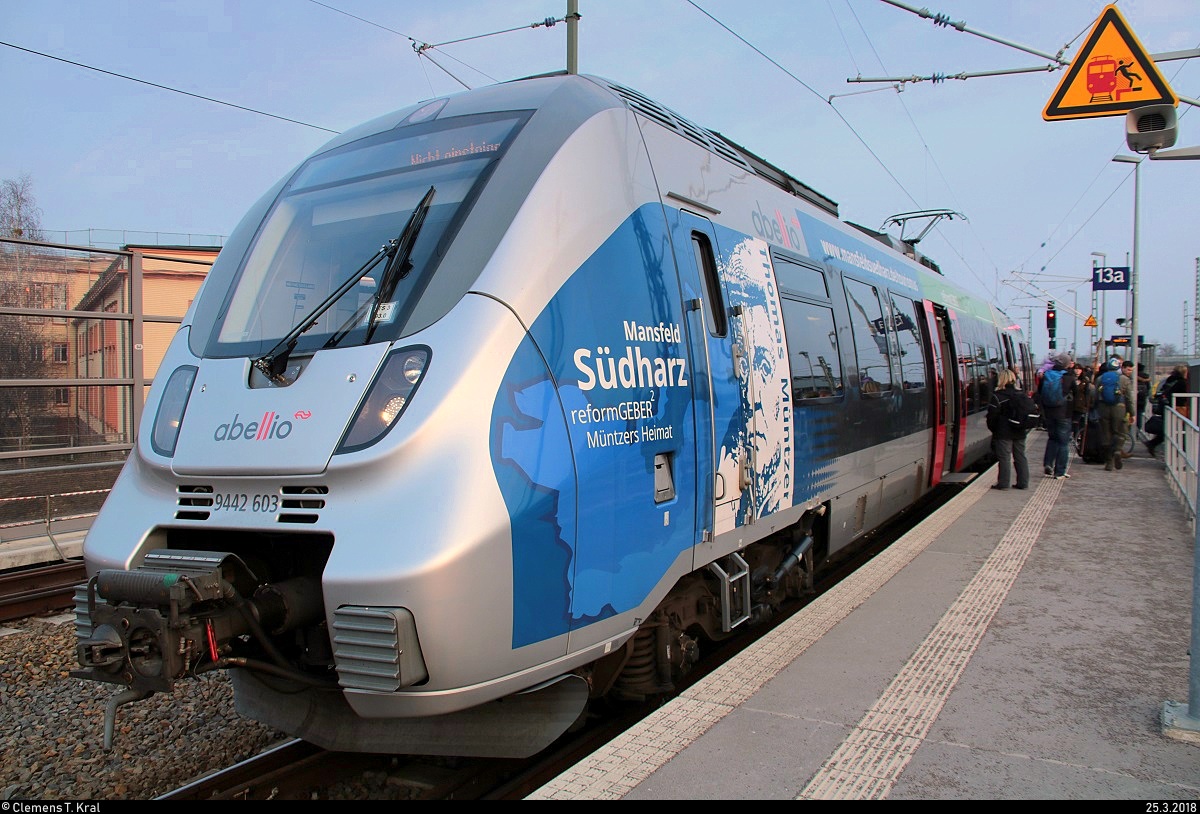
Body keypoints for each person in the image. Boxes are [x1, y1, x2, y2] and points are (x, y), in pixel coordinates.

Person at [987, 368, 1030, 490]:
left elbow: (991, 417)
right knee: (1020, 456)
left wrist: (994, 430)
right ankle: (1023, 483)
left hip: (1003, 433)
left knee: (1004, 458)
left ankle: (1003, 483)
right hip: (1019, 431)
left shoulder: (998, 396)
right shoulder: (1021, 394)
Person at [1040, 351, 1077, 479]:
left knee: (1052, 438)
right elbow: (1076, 396)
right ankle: (1059, 471)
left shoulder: (1047, 375)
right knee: (1063, 443)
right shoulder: (1069, 377)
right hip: (1064, 414)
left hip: (1049, 413)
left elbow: (1040, 394)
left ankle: (1048, 464)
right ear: (1067, 364)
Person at [1095, 358, 1134, 471]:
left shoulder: (1100, 379)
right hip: (1119, 408)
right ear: (1118, 368)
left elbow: (1096, 396)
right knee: (1121, 432)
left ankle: (1109, 462)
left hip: (1103, 409)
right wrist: (1132, 413)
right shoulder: (1124, 379)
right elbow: (1129, 398)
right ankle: (1117, 450)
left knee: (1106, 435)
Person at [1146, 364, 1190, 456]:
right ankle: (1180, 453)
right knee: (1179, 430)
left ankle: (1153, 444)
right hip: (1178, 408)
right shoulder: (1182, 383)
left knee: (1168, 429)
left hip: (1167, 407)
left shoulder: (1170, 380)